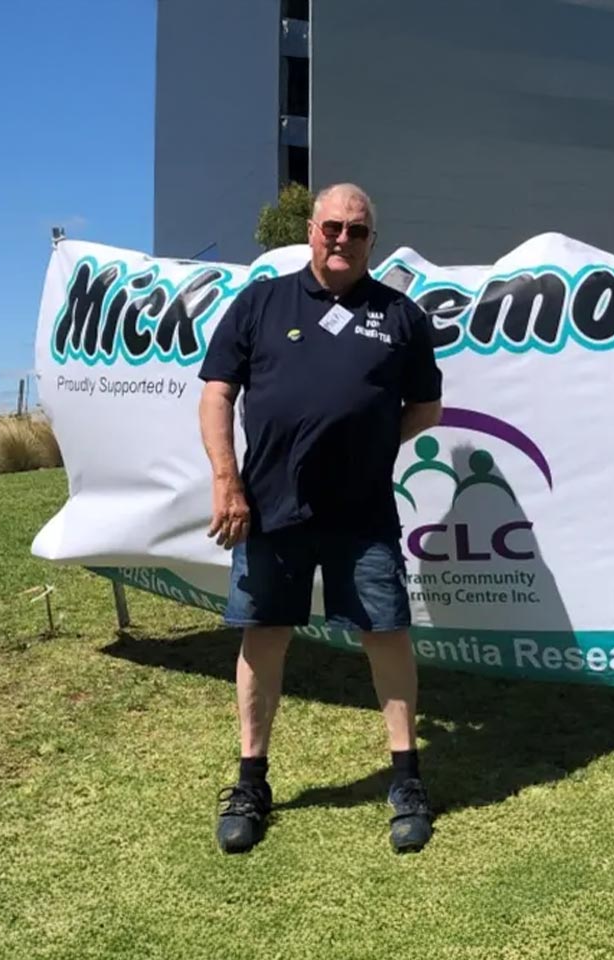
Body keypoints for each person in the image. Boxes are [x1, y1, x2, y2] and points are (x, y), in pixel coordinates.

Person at [196, 183, 444, 854]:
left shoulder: (401, 317)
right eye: (331, 226)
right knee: (264, 635)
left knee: (385, 634)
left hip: (362, 513)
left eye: (356, 231)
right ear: (311, 230)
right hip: (269, 508)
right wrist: (226, 480)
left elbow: (425, 408)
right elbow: (217, 393)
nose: (341, 238)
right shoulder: (261, 303)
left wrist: (368, 445)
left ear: (372, 239)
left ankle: (406, 778)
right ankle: (251, 782)